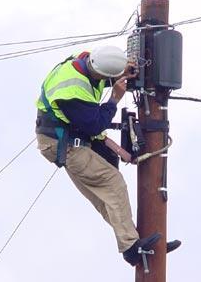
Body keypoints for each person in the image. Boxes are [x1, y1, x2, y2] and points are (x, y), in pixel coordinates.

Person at [35, 45, 181, 266]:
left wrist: (123, 72)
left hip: (67, 134)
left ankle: (133, 239)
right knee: (113, 184)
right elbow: (94, 125)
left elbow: (99, 82)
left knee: (107, 198)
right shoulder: (72, 92)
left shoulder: (84, 60)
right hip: (64, 144)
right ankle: (132, 249)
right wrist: (114, 99)